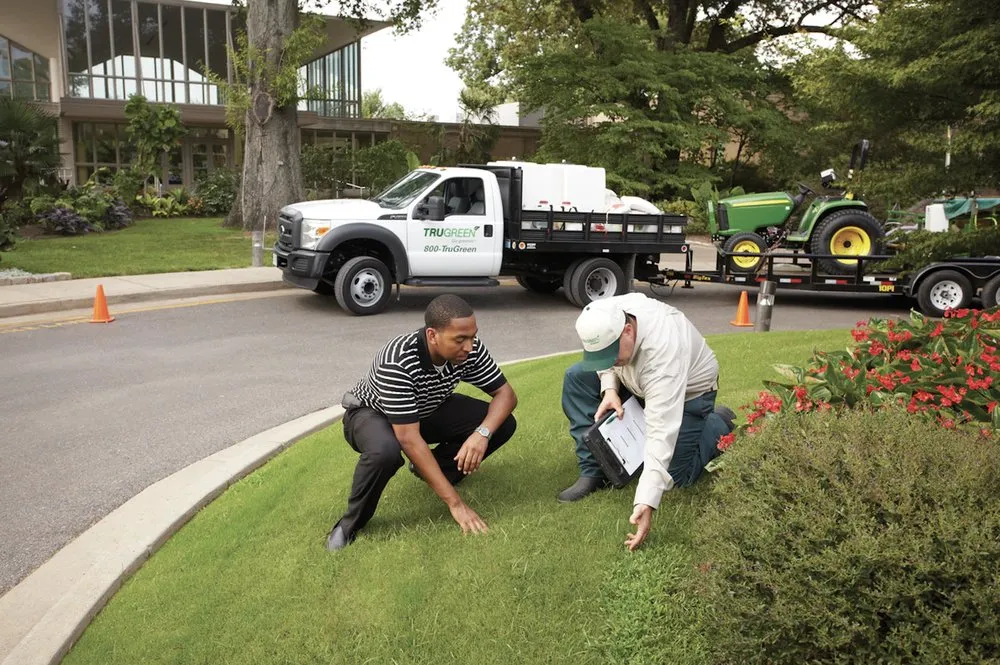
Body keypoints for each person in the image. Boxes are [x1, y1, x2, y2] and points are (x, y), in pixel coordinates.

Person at [326, 294, 518, 551]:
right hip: (372, 415)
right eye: (460, 339)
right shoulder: (398, 359)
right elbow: (408, 438)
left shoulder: (469, 350)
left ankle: (436, 471)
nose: (469, 347)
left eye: (472, 336)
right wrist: (456, 505)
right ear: (432, 335)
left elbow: (506, 395)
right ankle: (348, 525)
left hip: (427, 408)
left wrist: (481, 434)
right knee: (387, 452)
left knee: (502, 424)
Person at [559, 293, 735, 551]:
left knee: (676, 477)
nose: (609, 360)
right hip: (639, 382)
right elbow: (602, 358)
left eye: (612, 354)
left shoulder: (664, 352)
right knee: (576, 376)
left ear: (628, 330)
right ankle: (594, 471)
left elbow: (660, 430)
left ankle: (718, 422)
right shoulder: (604, 314)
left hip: (689, 395)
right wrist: (609, 389)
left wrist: (645, 501)